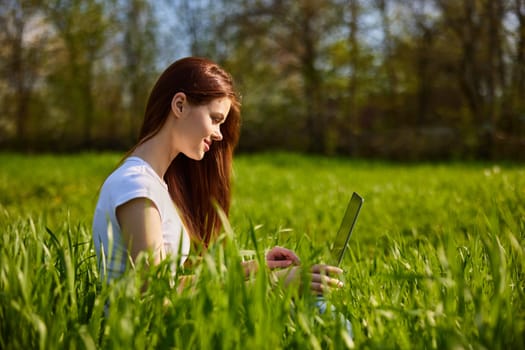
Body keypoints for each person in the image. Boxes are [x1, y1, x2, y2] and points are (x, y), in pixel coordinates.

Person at [92, 56, 345, 301]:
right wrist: (273, 284)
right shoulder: (137, 186)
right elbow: (156, 297)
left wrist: (253, 267)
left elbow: (172, 281)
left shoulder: (153, 184)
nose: (218, 134)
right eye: (215, 120)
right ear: (179, 105)